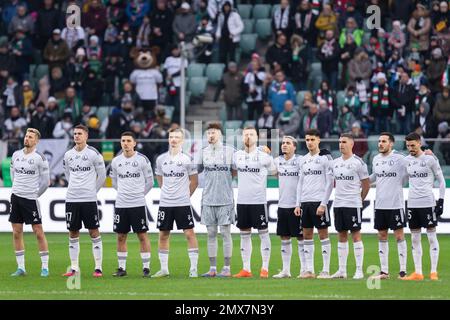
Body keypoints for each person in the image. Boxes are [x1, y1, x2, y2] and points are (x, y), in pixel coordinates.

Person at [153, 128, 199, 278]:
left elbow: (194, 181)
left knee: (189, 234)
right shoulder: (161, 159)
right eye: (171, 137)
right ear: (168, 139)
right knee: (163, 234)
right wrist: (166, 191)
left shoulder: (187, 159)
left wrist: (186, 196)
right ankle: (164, 269)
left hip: (182, 203)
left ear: (182, 141)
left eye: (177, 137)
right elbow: (159, 178)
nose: (173, 139)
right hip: (165, 203)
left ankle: (193, 269)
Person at [62, 125, 106, 277]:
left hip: (88, 199)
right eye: (74, 134)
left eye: (79, 133)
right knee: (73, 232)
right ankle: (74, 268)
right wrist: (75, 187)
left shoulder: (94, 154)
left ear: (86, 136)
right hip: (72, 199)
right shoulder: (68, 155)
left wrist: (92, 191)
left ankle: (98, 268)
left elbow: (102, 176)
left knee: (93, 231)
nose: (76, 136)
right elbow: (67, 173)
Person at [232, 126, 276, 278]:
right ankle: (246, 269)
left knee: (263, 234)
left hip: (258, 201)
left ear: (257, 137)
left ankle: (265, 268)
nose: (248, 137)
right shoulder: (236, 155)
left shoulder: (264, 155)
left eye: (251, 134)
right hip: (242, 201)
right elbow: (232, 171)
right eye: (245, 134)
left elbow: (276, 172)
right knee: (244, 234)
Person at [110, 132, 153, 278]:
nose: (126, 143)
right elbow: (114, 182)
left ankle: (146, 268)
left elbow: (149, 181)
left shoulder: (142, 160)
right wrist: (122, 192)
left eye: (129, 140)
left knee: (142, 235)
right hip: (121, 204)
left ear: (134, 143)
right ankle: (121, 268)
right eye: (123, 141)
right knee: (121, 236)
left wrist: (139, 195)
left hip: (137, 204)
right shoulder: (116, 161)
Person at [403, 132, 445, 281]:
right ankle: (418, 272)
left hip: (428, 202)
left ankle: (433, 272)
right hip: (412, 203)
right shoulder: (406, 160)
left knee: (431, 237)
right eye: (408, 146)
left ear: (419, 143)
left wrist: (441, 201)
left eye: (413, 145)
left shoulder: (430, 159)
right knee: (414, 238)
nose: (410, 148)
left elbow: (441, 181)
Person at [9, 128, 50, 277]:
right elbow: (12, 172)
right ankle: (21, 268)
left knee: (38, 232)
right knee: (16, 232)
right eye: (26, 136)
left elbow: (46, 182)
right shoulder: (16, 155)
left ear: (36, 141)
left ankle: (45, 267)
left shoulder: (40, 158)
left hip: (30, 199)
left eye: (30, 137)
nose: (27, 139)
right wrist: (16, 188)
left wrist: (34, 194)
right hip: (16, 197)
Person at [294, 129, 333, 279]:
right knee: (307, 235)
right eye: (307, 140)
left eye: (312, 139)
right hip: (305, 202)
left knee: (323, 234)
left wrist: (323, 204)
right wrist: (298, 204)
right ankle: (309, 270)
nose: (309, 142)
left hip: (319, 202)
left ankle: (325, 270)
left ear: (318, 140)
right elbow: (300, 183)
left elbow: (330, 183)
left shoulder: (325, 158)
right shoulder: (303, 159)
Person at [330, 133, 370, 279]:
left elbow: (366, 185)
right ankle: (342, 270)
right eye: (340, 142)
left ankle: (359, 270)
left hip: (353, 204)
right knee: (341, 235)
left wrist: (359, 200)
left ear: (352, 144)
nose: (341, 144)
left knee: (356, 235)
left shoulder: (358, 162)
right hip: (338, 203)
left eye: (344, 142)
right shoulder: (334, 163)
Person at [369, 133, 409, 280]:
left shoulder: (399, 158)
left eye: (383, 141)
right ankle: (384, 272)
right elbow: (375, 176)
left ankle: (403, 271)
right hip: (380, 204)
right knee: (382, 236)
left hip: (395, 204)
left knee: (399, 236)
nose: (380, 143)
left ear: (391, 144)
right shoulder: (376, 159)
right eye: (379, 141)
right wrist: (361, 181)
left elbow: (409, 170)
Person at [198, 123, 236, 277]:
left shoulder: (230, 151)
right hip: (208, 199)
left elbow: (235, 171)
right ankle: (212, 268)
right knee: (211, 233)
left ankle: (226, 268)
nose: (211, 136)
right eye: (208, 133)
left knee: (226, 233)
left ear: (220, 134)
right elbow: (196, 170)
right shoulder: (203, 152)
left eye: (213, 133)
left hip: (225, 199)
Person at [272, 136, 302, 279]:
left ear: (294, 147)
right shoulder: (277, 161)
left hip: (296, 205)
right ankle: (286, 270)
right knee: (284, 237)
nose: (284, 145)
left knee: (301, 237)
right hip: (282, 205)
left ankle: (305, 269)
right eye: (283, 143)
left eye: (288, 143)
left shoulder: (300, 161)